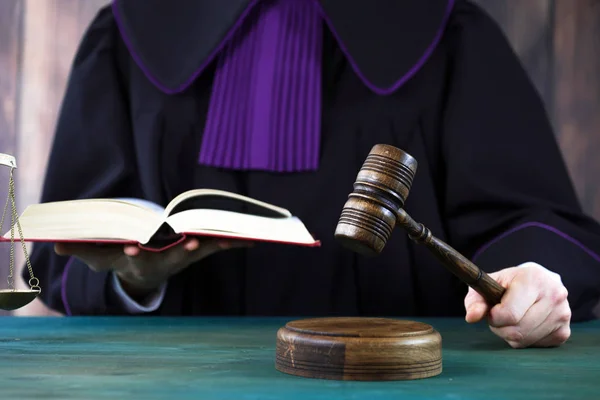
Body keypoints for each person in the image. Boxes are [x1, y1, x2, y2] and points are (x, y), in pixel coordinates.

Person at [24, 0, 600, 349]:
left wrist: (528, 280)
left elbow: (528, 221)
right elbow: (60, 247)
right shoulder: (127, 34)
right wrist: (133, 280)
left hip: (405, 381)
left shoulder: (449, 33)